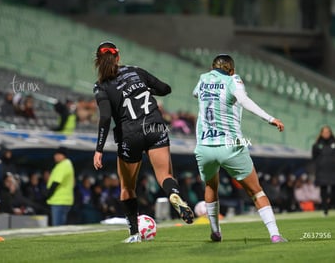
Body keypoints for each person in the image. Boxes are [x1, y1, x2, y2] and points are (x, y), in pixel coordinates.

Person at [92, 41, 194, 243]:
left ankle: (134, 234)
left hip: (130, 134)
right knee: (165, 175)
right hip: (155, 126)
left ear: (98, 61)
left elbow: (105, 118)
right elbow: (165, 89)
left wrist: (99, 149)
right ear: (118, 57)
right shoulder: (135, 71)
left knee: (127, 187)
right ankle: (174, 194)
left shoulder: (101, 86)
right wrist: (142, 88)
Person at [192, 54, 287, 243]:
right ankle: (275, 234)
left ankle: (215, 231)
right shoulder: (233, 80)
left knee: (211, 185)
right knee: (256, 191)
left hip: (204, 146)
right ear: (232, 70)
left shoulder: (203, 79)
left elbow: (196, 94)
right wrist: (269, 118)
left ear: (212, 68)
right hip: (230, 145)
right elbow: (243, 100)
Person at [312, 125, 335, 216]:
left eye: (328, 132)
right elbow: (314, 158)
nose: (326, 134)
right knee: (324, 192)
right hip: (322, 172)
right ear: (321, 133)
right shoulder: (316, 145)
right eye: (324, 132)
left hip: (334, 171)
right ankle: (325, 211)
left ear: (330, 133)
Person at [46, 147, 75, 226]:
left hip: (60, 200)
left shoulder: (64, 164)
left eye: (58, 154)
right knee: (61, 225)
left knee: (58, 227)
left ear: (63, 155)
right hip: (63, 200)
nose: (55, 156)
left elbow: (56, 182)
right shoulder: (66, 164)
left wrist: (48, 195)